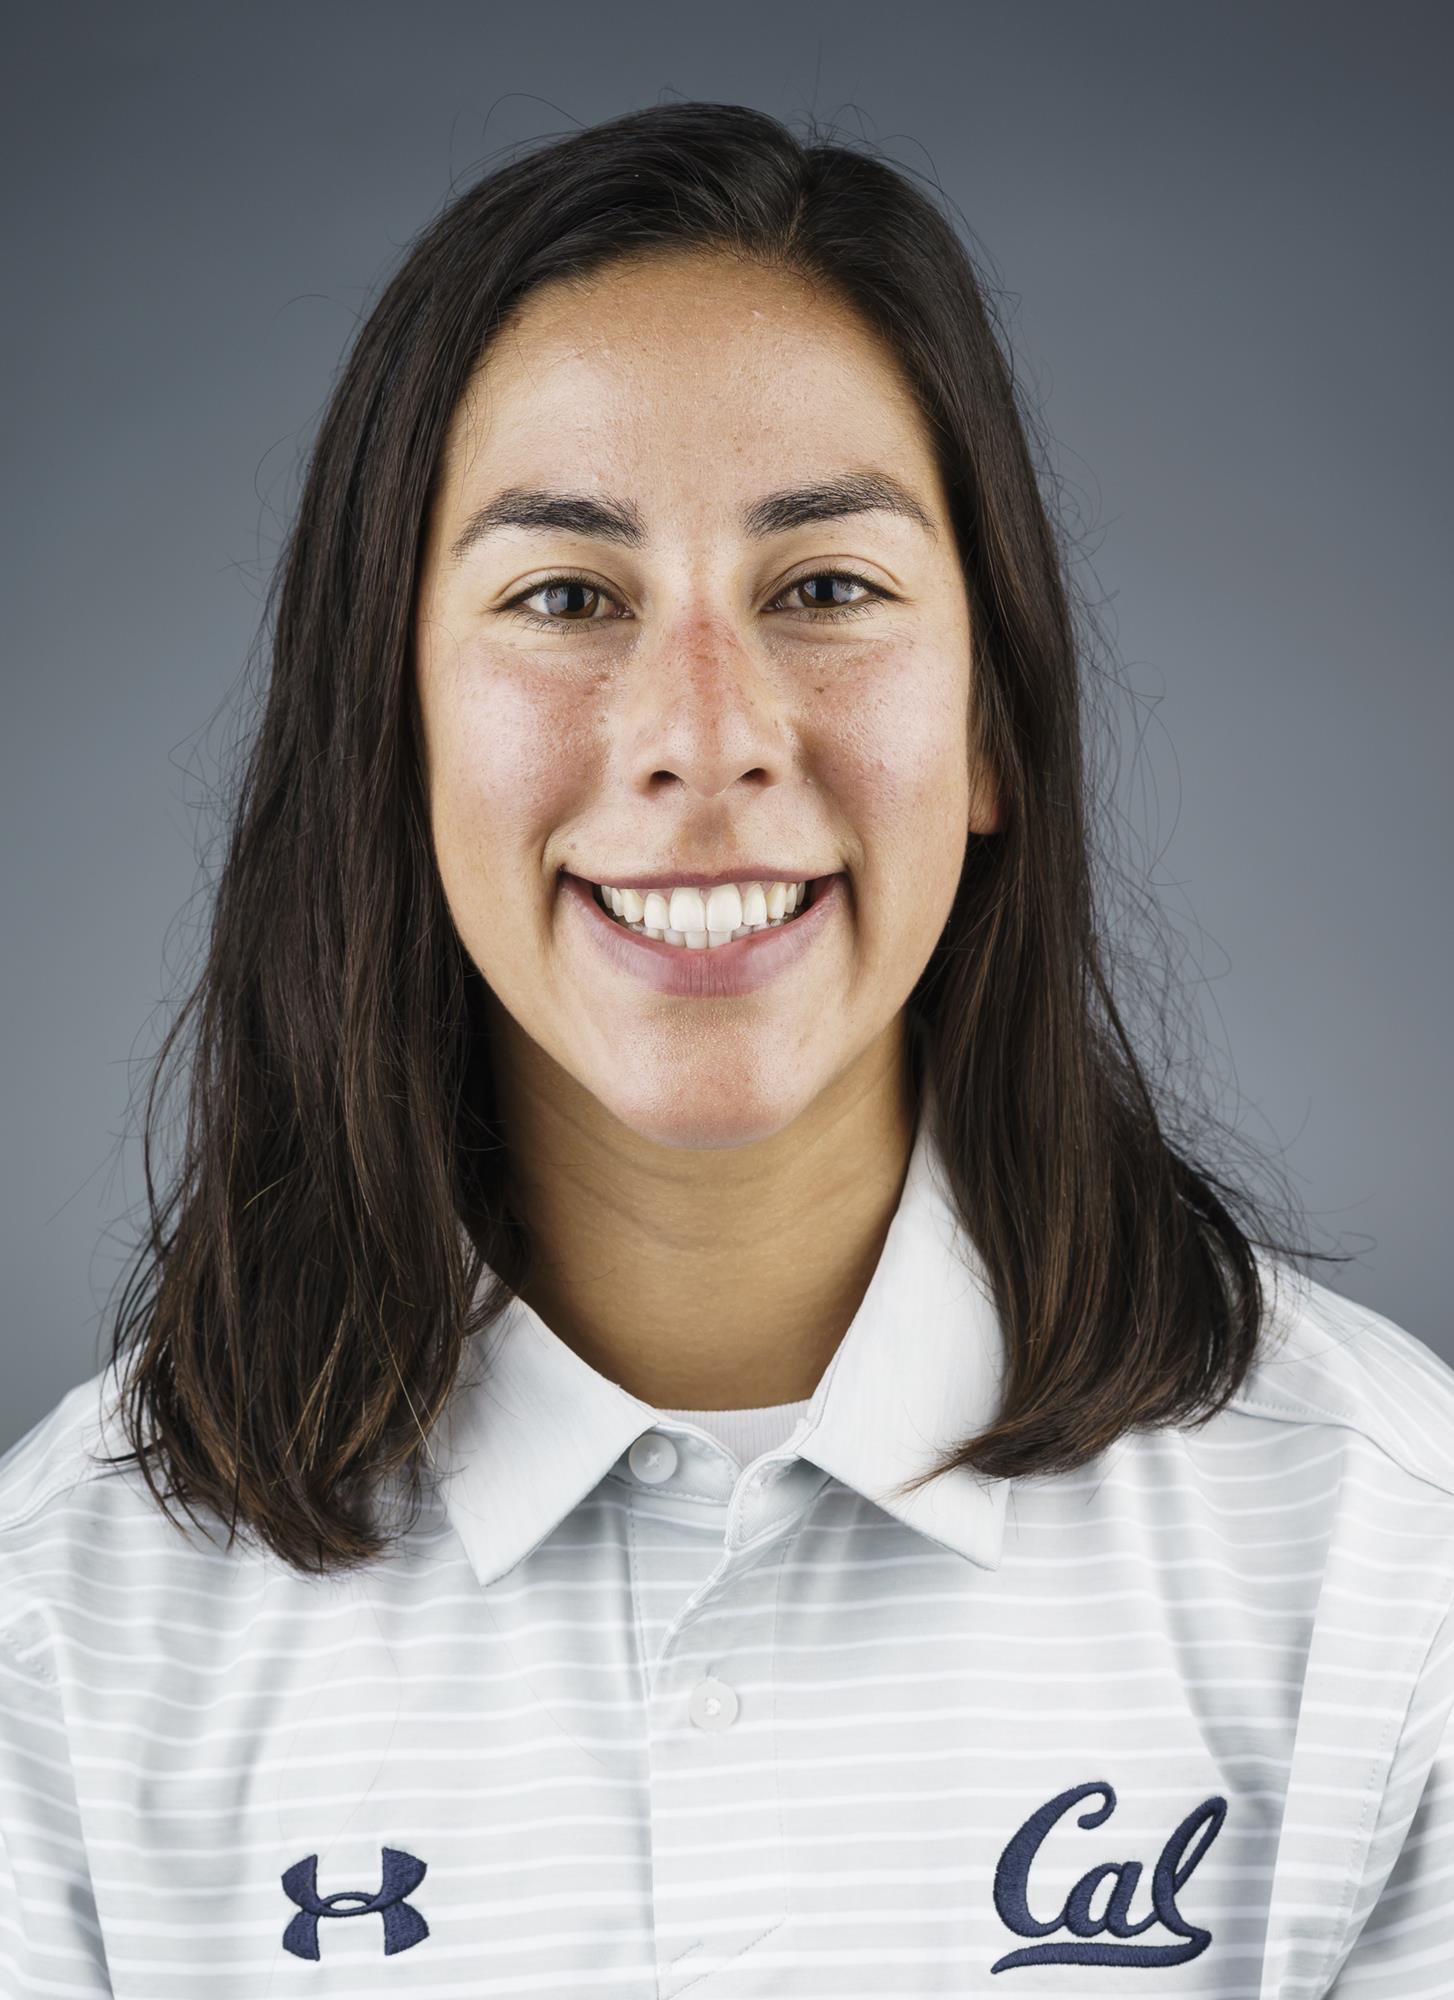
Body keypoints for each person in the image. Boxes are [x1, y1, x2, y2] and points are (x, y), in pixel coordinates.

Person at [2, 100, 1450, 1998]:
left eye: (824, 589)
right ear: (391, 734)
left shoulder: (1383, 1558)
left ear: (996, 724)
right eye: (566, 598)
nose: (704, 735)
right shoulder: (65, 1627)